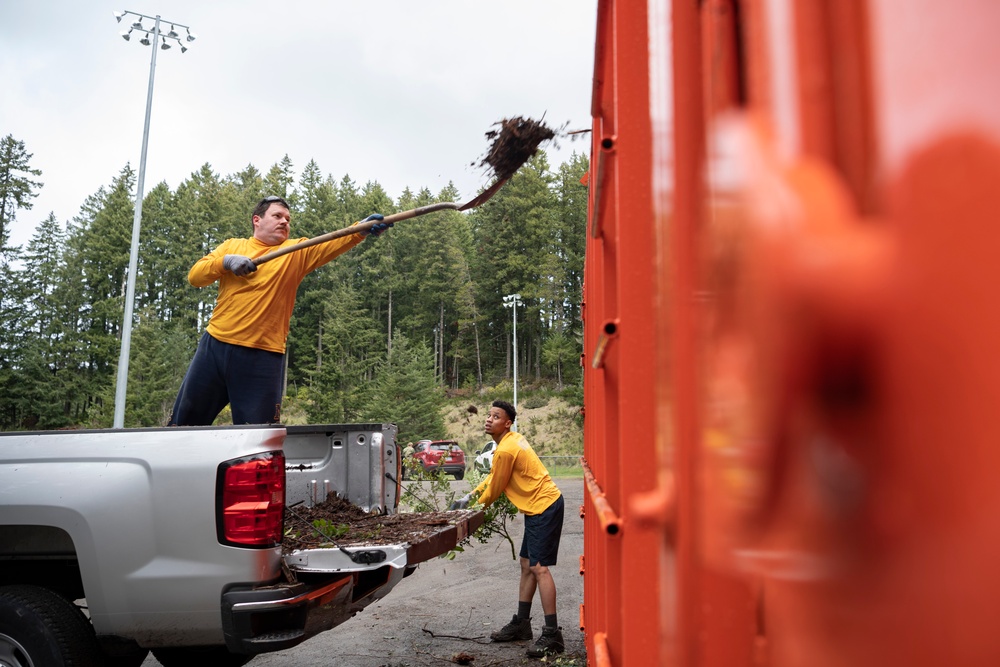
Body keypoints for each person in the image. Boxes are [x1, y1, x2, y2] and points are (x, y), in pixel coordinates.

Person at [168, 195, 391, 426]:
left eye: (288, 218)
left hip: (262, 356)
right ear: (257, 220)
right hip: (214, 347)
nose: (285, 222)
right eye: (277, 216)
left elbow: (332, 242)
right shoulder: (232, 246)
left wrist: (361, 229)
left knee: (258, 436)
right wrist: (226, 262)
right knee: (183, 425)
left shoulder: (295, 251)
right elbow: (195, 277)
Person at [451, 400, 566, 658]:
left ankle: (552, 634)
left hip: (545, 506)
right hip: (538, 507)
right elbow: (493, 478)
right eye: (488, 415)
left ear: (508, 423)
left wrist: (469, 508)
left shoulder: (506, 449)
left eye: (496, 416)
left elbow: (495, 489)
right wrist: (470, 495)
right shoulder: (508, 442)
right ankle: (522, 624)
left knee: (539, 568)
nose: (489, 419)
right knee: (527, 563)